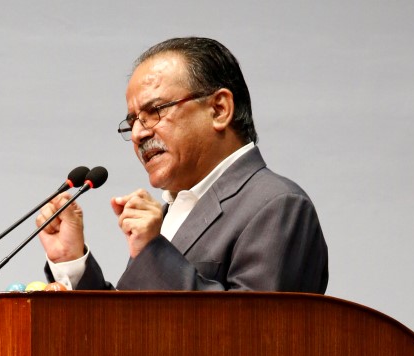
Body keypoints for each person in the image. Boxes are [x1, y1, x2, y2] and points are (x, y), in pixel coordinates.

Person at [37, 37, 328, 293]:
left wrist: (154, 252)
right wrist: (71, 260)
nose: (138, 133)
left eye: (155, 111)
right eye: (132, 122)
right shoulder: (172, 211)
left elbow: (255, 337)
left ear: (219, 109)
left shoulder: (278, 206)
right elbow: (128, 329)